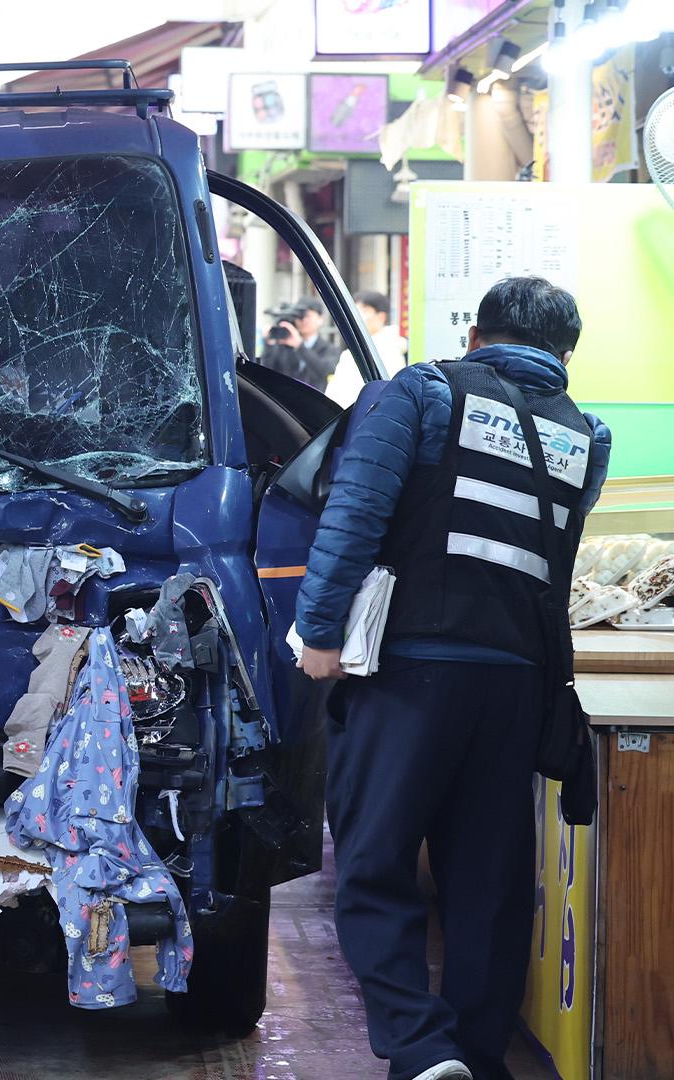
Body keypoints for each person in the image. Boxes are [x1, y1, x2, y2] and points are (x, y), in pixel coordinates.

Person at [293, 277, 611, 1080]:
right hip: (515, 685)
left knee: (375, 857)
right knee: (489, 879)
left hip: (412, 672)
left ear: (476, 334)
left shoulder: (424, 392)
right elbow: (555, 570)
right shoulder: (587, 436)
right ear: (564, 356)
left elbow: (356, 514)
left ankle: (420, 1043)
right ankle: (473, 1051)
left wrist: (322, 634)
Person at [327, 290, 408, 405]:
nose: (357, 315)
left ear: (381, 317)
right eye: (355, 309)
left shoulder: (389, 349)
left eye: (364, 311)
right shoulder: (357, 349)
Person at [259, 296, 339, 391]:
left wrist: (300, 346)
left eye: (307, 316)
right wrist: (269, 345)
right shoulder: (284, 346)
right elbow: (267, 372)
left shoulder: (329, 349)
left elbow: (325, 372)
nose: (303, 320)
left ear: (320, 319)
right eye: (298, 316)